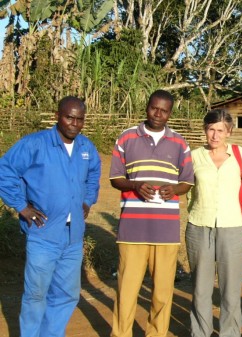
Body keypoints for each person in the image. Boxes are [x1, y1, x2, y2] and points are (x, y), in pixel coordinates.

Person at [0, 96, 101, 336]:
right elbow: (5, 170)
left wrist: (87, 200)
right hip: (43, 234)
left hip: (73, 237)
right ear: (57, 116)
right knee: (36, 294)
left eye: (79, 119)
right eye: (69, 117)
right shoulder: (35, 144)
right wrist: (21, 206)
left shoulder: (86, 148)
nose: (74, 123)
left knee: (66, 294)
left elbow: (94, 175)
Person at [109, 89, 195, 337]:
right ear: (147, 107)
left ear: (170, 113)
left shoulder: (180, 143)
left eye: (164, 110)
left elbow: (187, 181)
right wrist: (135, 185)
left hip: (166, 231)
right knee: (126, 291)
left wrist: (175, 190)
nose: (158, 114)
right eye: (154, 108)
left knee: (162, 293)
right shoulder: (126, 138)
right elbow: (115, 178)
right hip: (131, 230)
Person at [186, 109, 242, 337]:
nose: (215, 135)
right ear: (205, 130)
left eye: (220, 130)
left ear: (229, 131)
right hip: (199, 226)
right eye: (211, 129)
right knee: (200, 289)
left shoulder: (239, 155)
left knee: (230, 291)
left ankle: (230, 333)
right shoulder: (193, 156)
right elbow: (187, 190)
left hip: (234, 228)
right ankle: (200, 333)